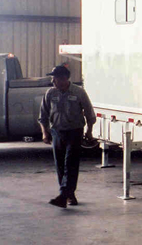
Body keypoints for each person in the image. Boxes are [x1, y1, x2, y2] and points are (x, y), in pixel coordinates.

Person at [38, 64, 96, 208]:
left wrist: (89, 131)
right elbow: (43, 116)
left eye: (55, 78)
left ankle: (64, 195)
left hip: (74, 132)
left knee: (70, 164)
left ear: (64, 78)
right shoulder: (50, 93)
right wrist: (45, 132)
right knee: (60, 165)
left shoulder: (78, 92)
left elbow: (89, 113)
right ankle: (68, 195)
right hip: (57, 132)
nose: (52, 81)